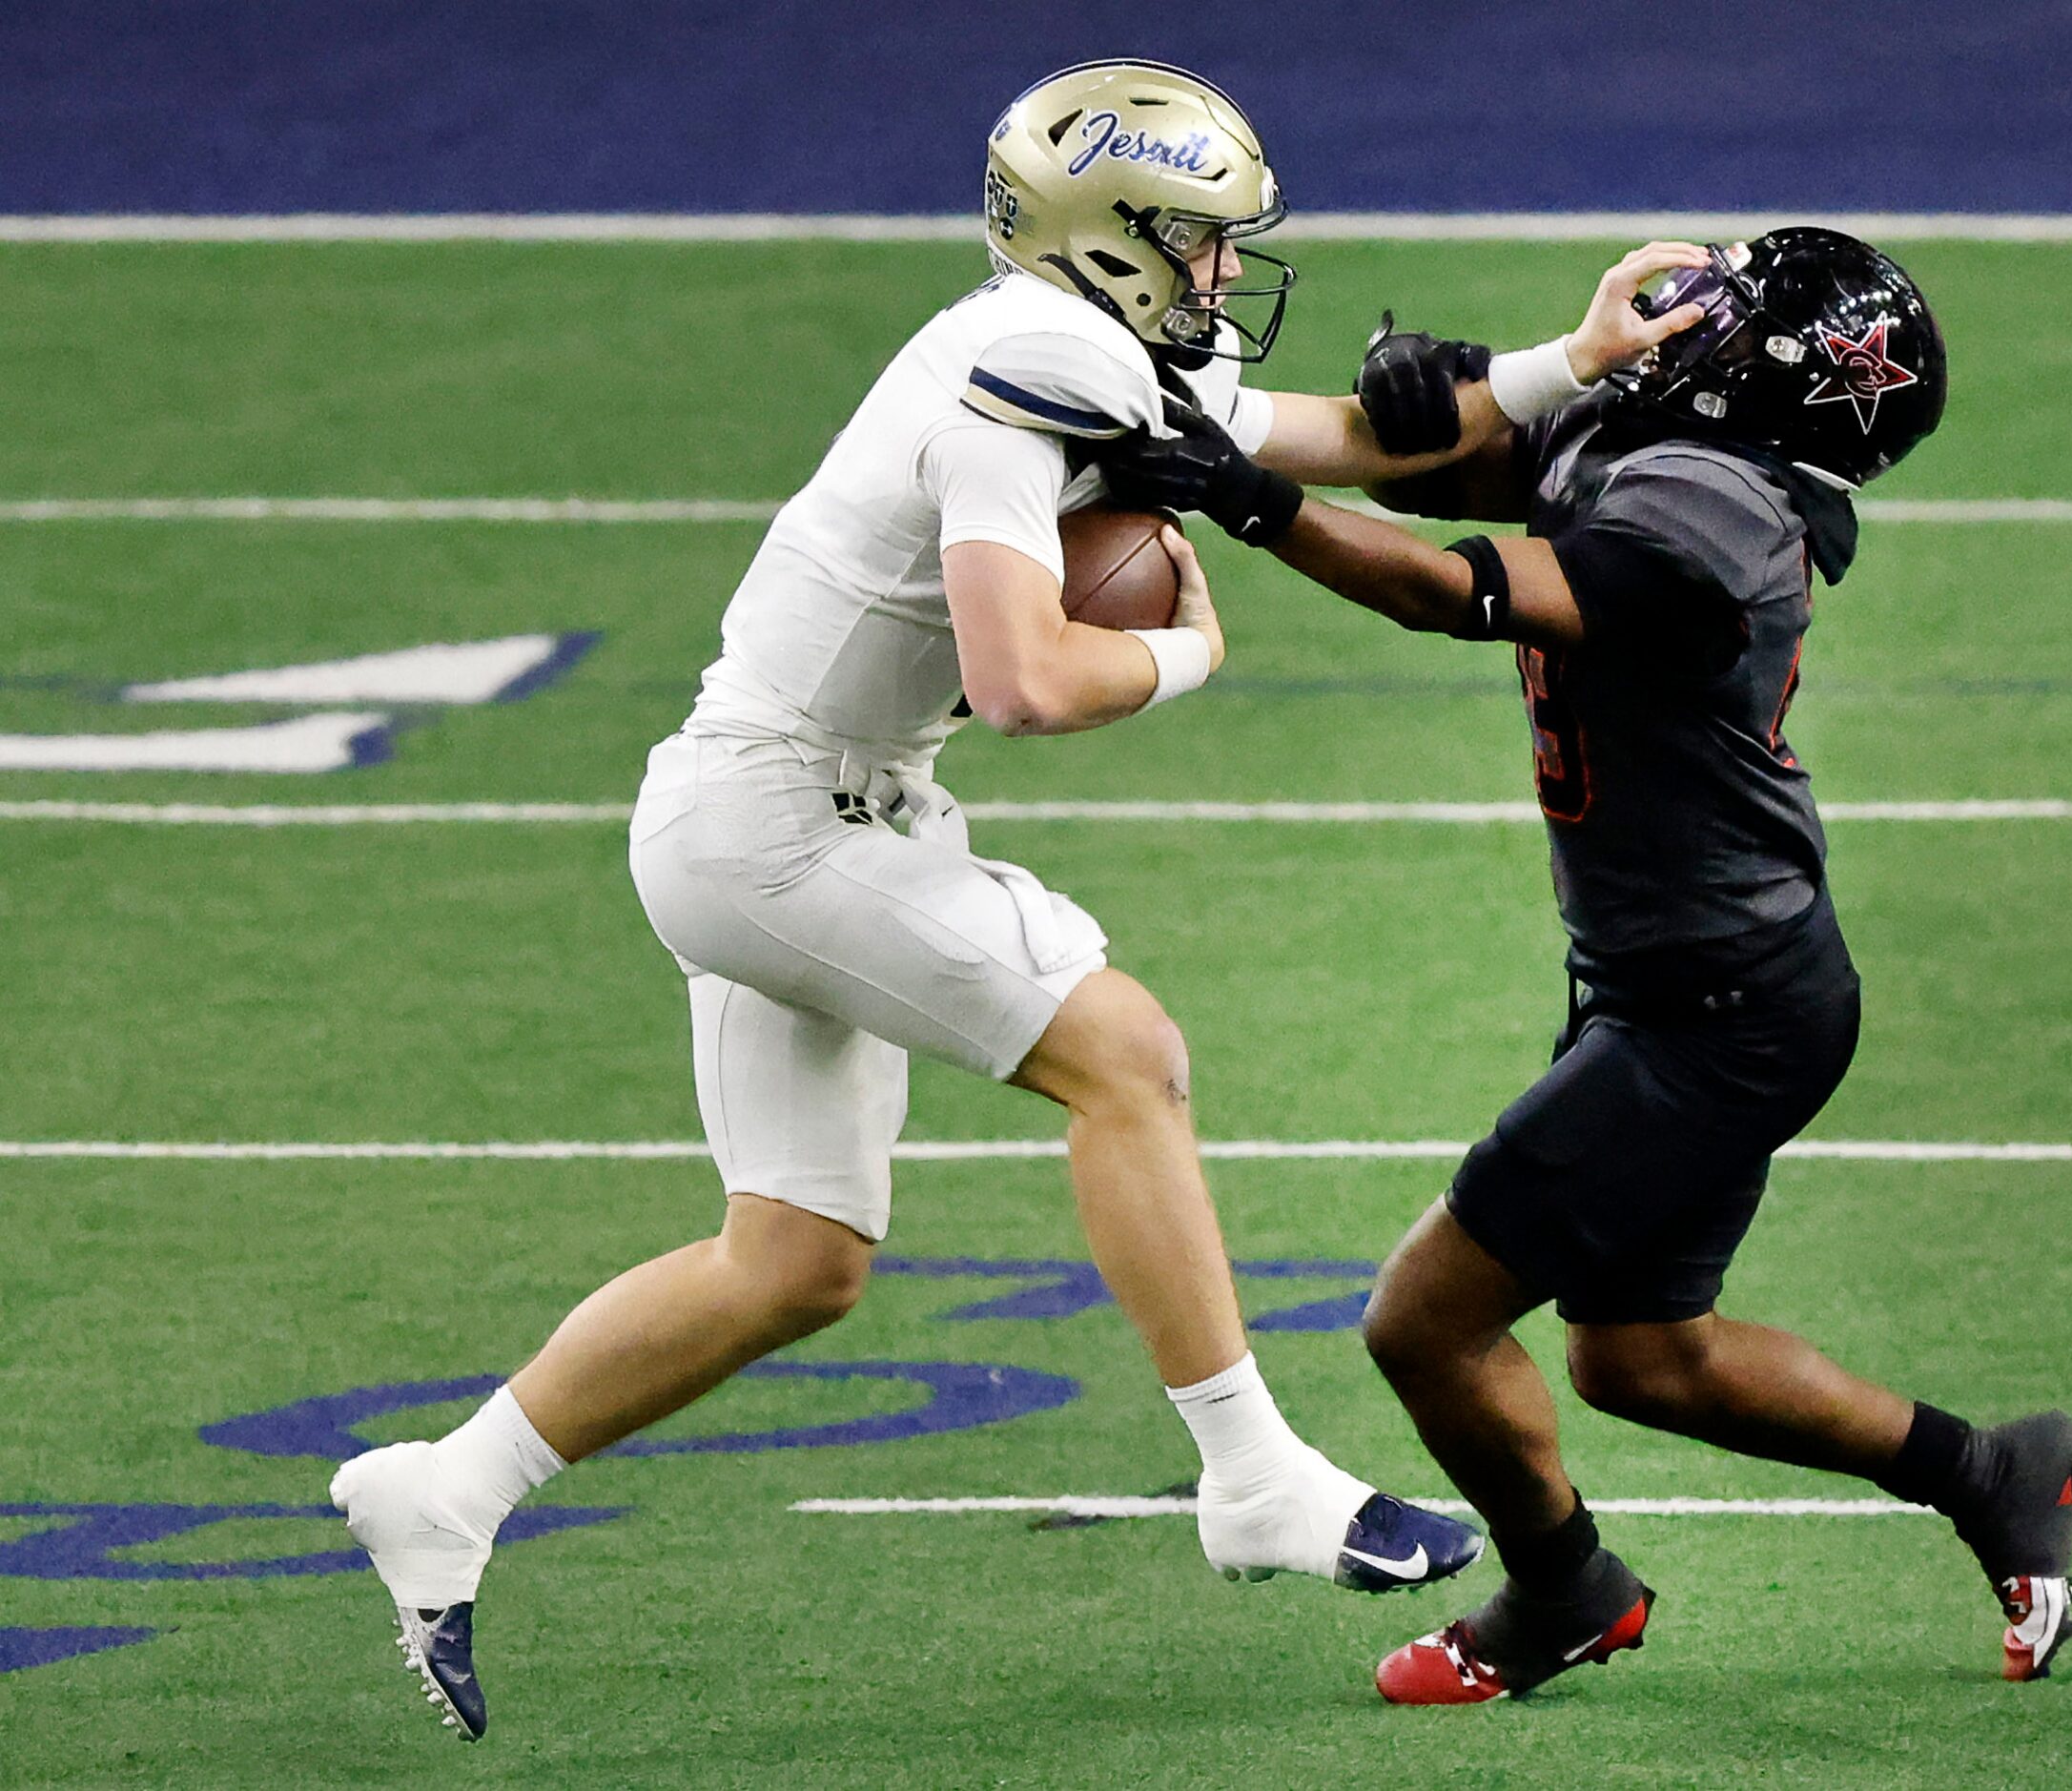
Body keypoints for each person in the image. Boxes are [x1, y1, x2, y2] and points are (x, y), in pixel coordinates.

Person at [327, 59, 1706, 1743]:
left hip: (769, 798)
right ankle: (1252, 1473)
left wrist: (1580, 356)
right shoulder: (1029, 368)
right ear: (1114, 235)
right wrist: (1186, 652)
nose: (1224, 276)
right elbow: (1028, 677)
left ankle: (445, 1487)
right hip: (781, 815)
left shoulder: (1079, 339)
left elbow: (1340, 439)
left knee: (793, 1261)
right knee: (1124, 1051)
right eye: (1198, 243)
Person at [1095, 228, 2072, 1705]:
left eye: (1731, 311)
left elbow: (1458, 588)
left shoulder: (1719, 528)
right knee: (1640, 1356)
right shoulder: (1664, 431)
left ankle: (1565, 1586)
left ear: (1761, 373)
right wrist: (1441, 392)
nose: (1696, 313)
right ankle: (1989, 1471)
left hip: (1721, 1008)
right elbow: (1463, 468)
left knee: (1422, 1319)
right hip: (1686, 974)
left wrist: (1254, 503)